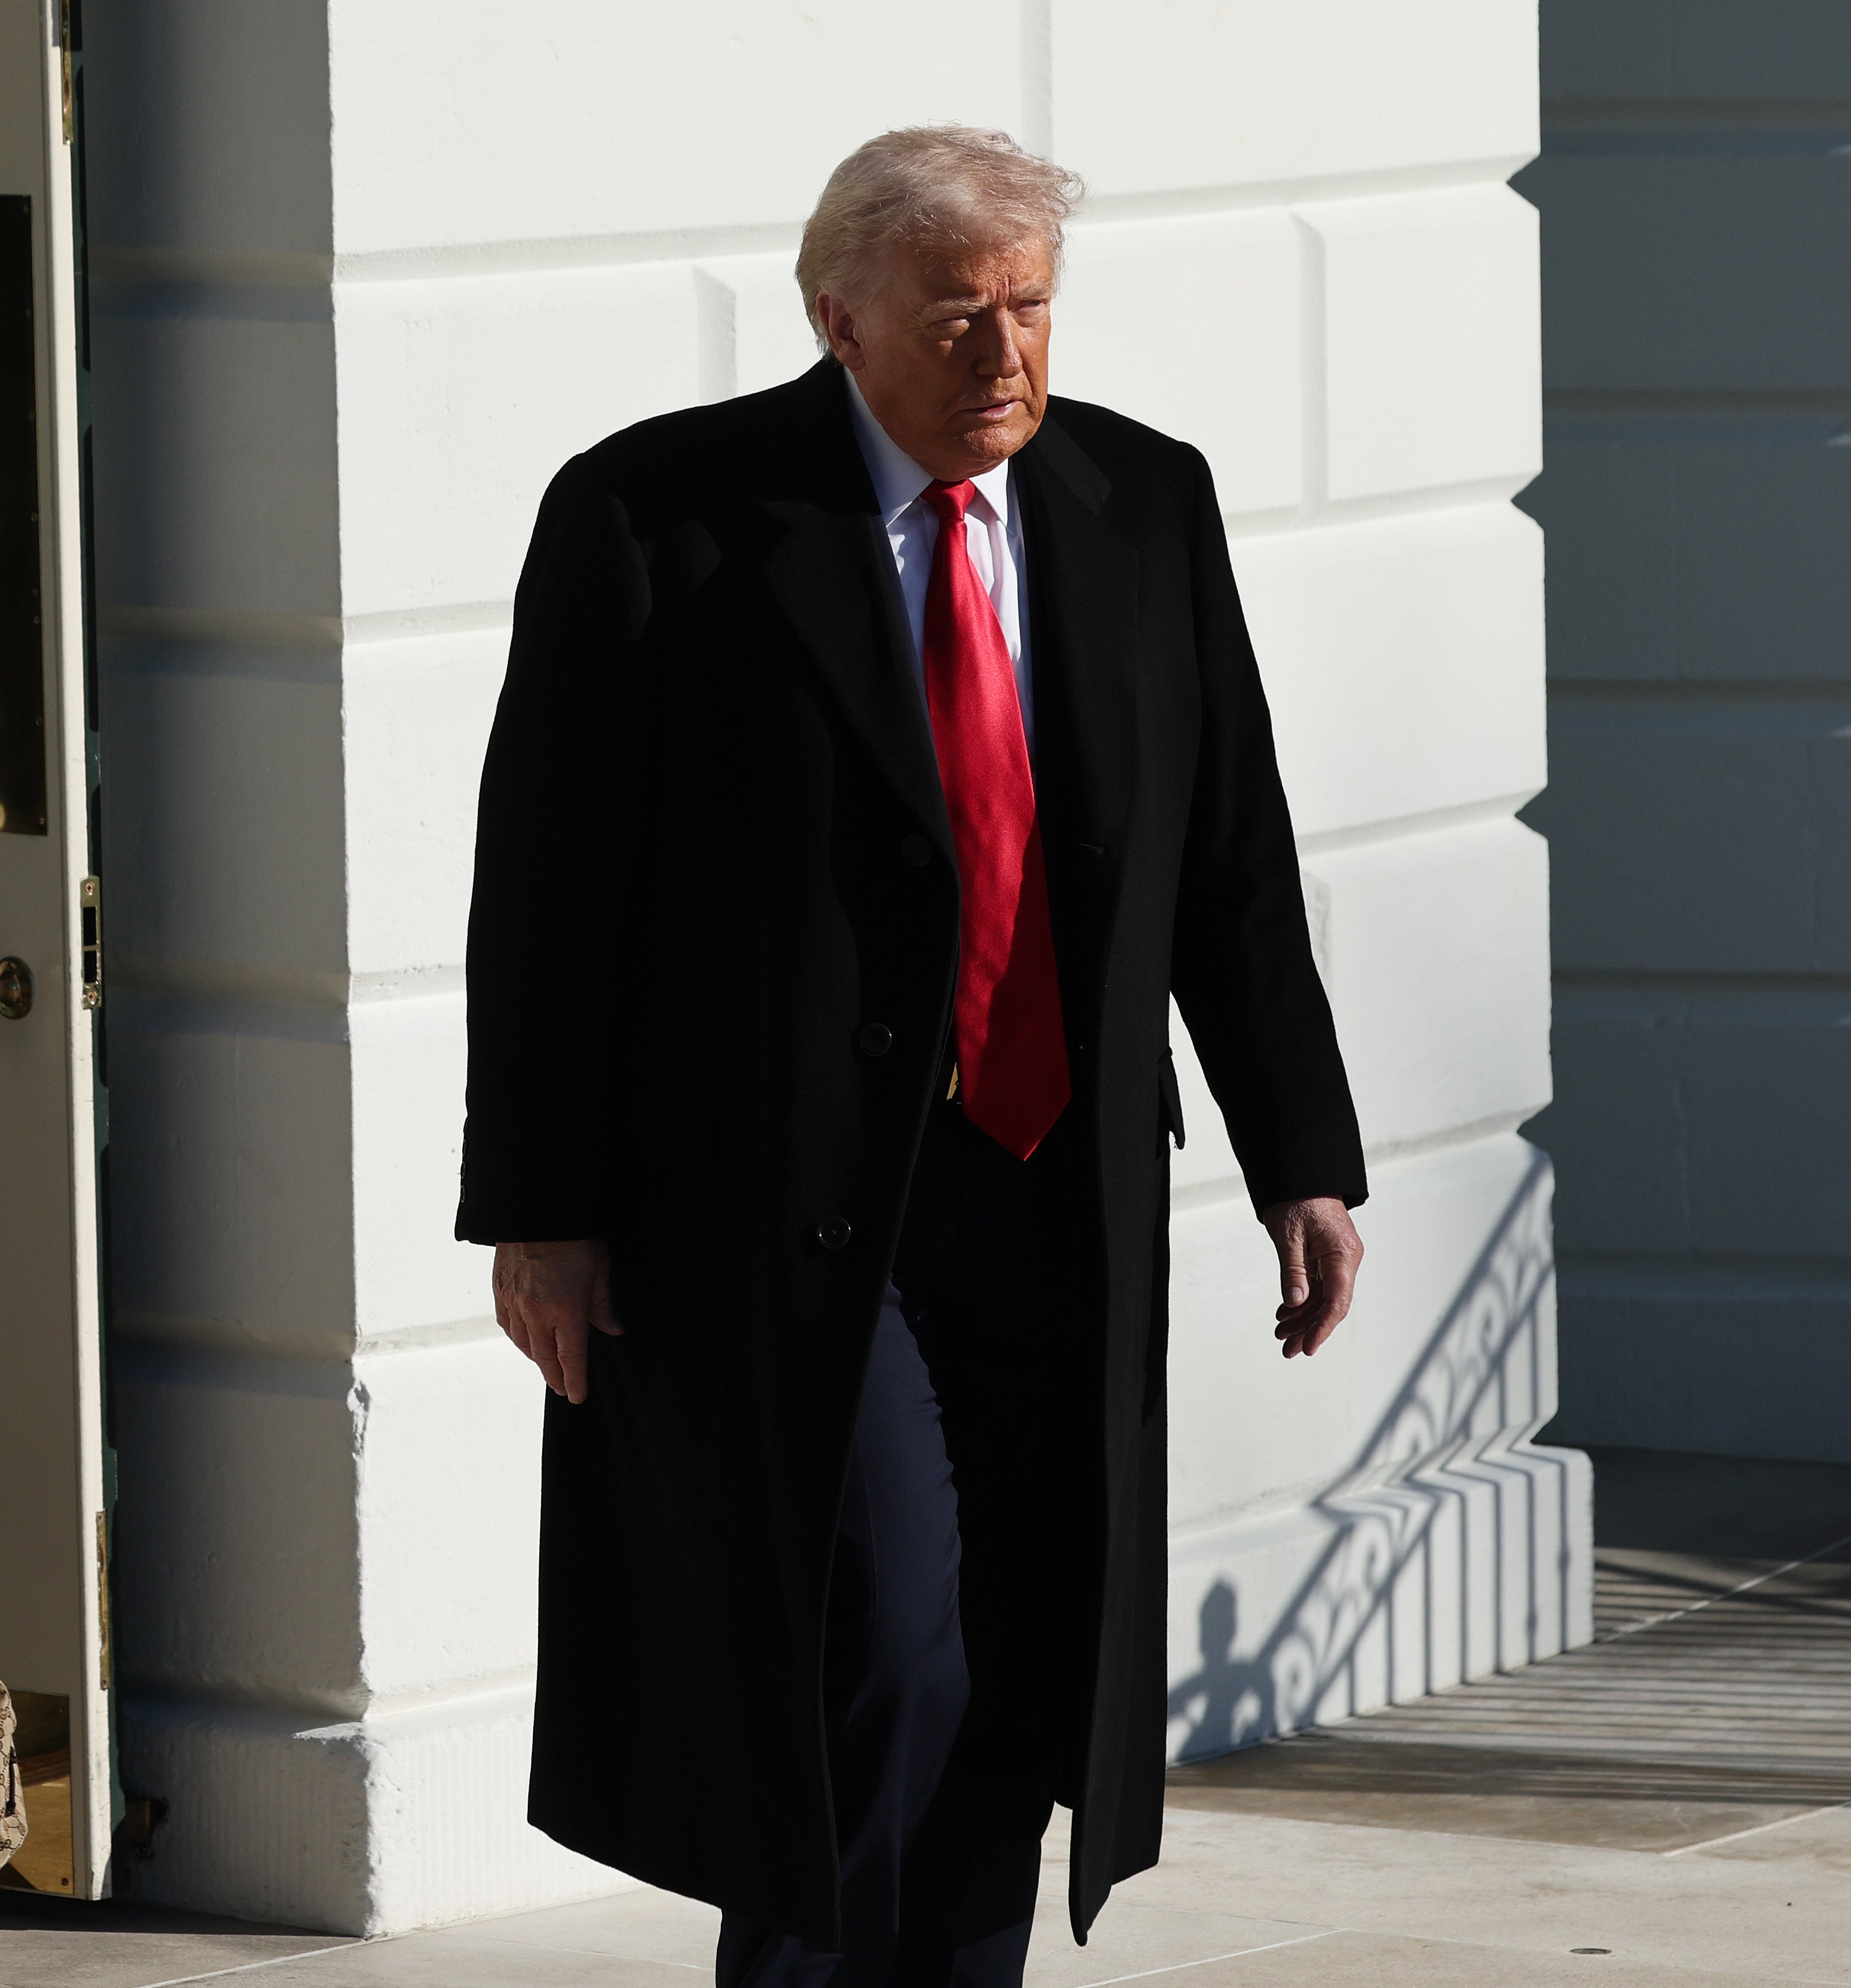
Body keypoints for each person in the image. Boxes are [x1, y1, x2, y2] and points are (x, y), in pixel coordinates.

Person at [459, 127, 1367, 1987]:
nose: (1005, 358)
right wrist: (538, 1208)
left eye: (1030, 308)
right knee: (869, 1645)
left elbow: (1229, 858)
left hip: (1054, 1190)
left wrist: (1302, 1151)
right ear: (838, 319)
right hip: (787, 1210)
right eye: (959, 316)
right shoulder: (659, 517)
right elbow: (548, 885)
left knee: (1025, 1664)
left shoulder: (1142, 505)